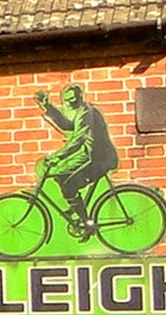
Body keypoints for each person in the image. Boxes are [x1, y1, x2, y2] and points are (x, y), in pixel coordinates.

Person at [34, 85, 118, 236]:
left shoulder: (87, 112)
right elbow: (67, 124)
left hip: (98, 158)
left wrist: (57, 156)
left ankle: (86, 223)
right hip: (90, 154)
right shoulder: (80, 112)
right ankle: (76, 206)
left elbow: (78, 139)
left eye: (73, 99)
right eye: (67, 101)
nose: (70, 103)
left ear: (80, 96)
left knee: (65, 180)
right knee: (63, 177)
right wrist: (47, 106)